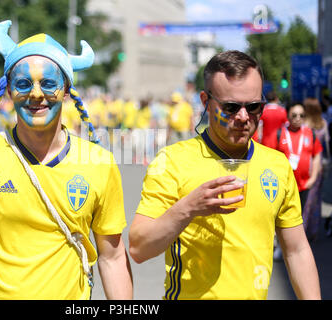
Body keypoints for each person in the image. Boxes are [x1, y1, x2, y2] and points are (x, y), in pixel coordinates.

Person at [0, 20, 133, 300]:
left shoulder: (99, 161)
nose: (37, 94)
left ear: (66, 90)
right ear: (8, 91)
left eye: (49, 83)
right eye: (23, 83)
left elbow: (112, 258)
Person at [129, 50, 321, 300]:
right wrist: (187, 208)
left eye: (253, 107)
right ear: (205, 101)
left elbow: (296, 250)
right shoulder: (172, 161)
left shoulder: (276, 165)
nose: (243, 117)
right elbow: (138, 248)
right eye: (230, 107)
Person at [276, 102, 323, 213]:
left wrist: (313, 178)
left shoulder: (310, 133)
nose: (298, 118)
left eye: (301, 115)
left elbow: (317, 155)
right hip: (284, 185)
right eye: (294, 115)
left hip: (304, 185)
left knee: (299, 215)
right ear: (287, 116)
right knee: (284, 215)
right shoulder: (280, 133)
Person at [300, 98, 329, 242]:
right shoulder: (323, 123)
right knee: (316, 199)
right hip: (320, 164)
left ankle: (302, 230)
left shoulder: (305, 124)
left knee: (306, 200)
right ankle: (313, 229)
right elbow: (327, 144)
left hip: (306, 164)